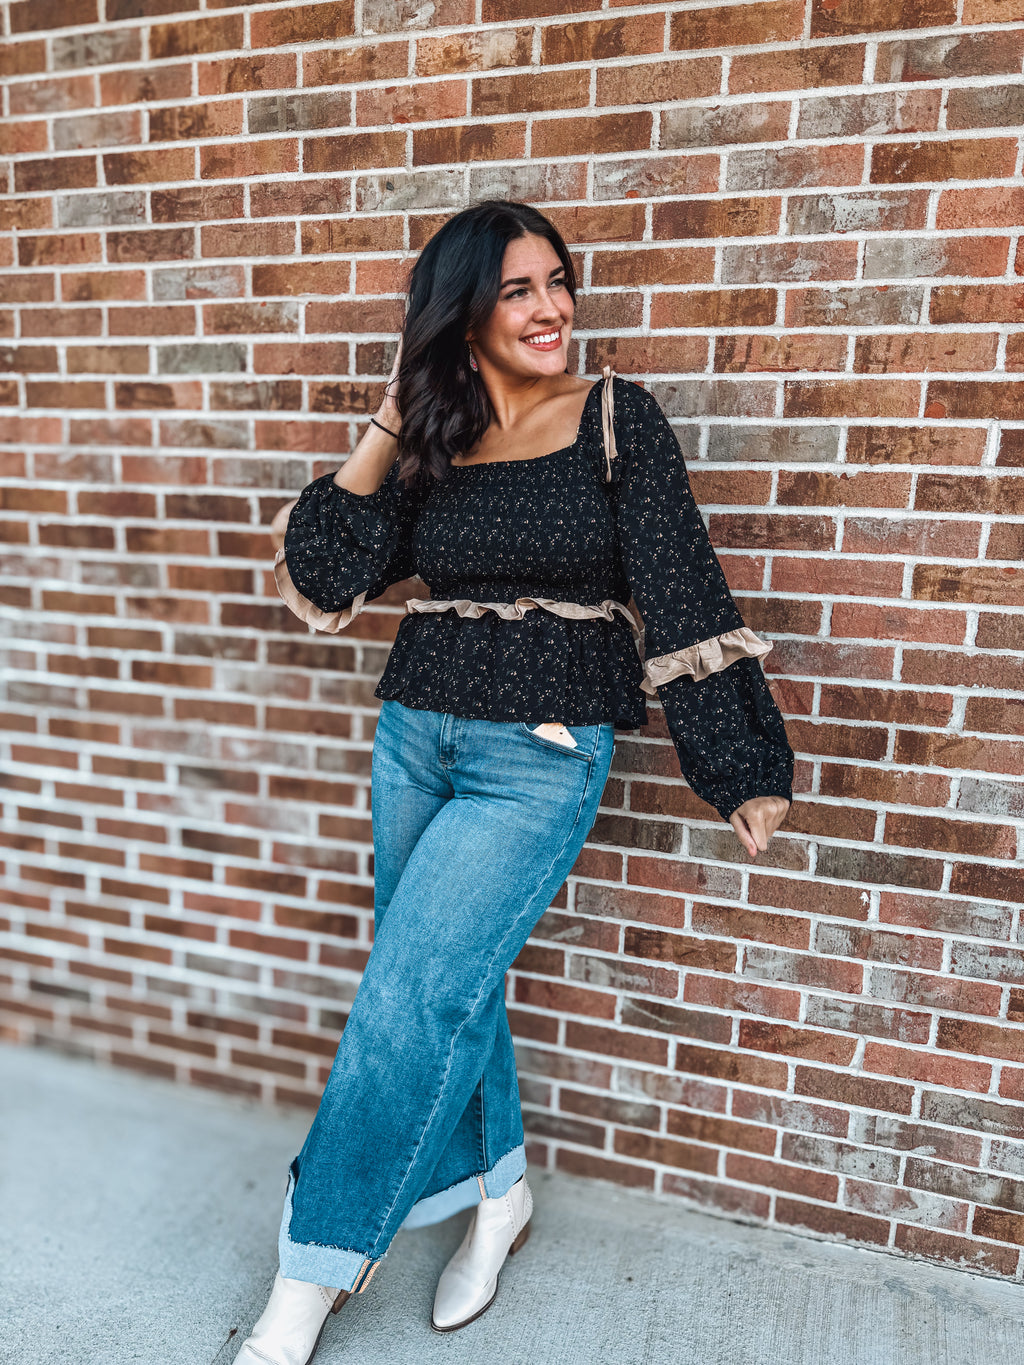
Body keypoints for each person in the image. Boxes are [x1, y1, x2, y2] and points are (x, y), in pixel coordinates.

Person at [233, 198, 794, 1365]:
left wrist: (736, 764)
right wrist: (394, 410)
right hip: (414, 733)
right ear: (461, 316)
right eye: (516, 290)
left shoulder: (611, 419)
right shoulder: (437, 435)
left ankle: (308, 1273)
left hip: (534, 754)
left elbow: (684, 587)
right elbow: (330, 572)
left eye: (557, 282)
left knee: (412, 998)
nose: (549, 309)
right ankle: (499, 1201)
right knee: (447, 984)